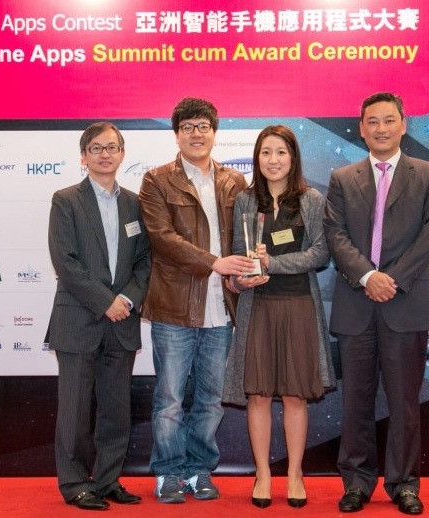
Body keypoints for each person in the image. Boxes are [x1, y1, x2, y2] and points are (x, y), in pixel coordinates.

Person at [323, 92, 429, 515]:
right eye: (372, 121)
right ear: (361, 128)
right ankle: (356, 482)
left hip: (406, 301)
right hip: (356, 303)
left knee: (404, 403)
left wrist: (390, 280)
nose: (381, 128)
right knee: (355, 402)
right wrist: (367, 276)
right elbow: (335, 235)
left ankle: (404, 484)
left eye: (389, 120)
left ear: (403, 125)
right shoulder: (342, 178)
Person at [138, 97, 252, 504]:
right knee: (169, 399)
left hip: (221, 310)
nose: (196, 133)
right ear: (177, 134)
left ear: (214, 133)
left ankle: (199, 469)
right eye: (188, 127)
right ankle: (168, 472)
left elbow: (245, 238)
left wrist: (245, 269)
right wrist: (215, 263)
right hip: (173, 308)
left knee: (210, 399)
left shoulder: (234, 182)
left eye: (203, 126)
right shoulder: (156, 180)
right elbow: (163, 239)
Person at [222, 125, 336, 509]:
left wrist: (273, 262)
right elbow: (238, 254)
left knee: (294, 395)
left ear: (293, 158)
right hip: (258, 307)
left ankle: (295, 474)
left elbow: (320, 253)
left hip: (298, 306)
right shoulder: (244, 200)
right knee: (257, 394)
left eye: (281, 152)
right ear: (257, 158)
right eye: (266, 152)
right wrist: (243, 277)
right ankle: (263, 474)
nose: (273, 160)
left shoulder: (311, 199)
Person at [47, 121, 151, 511]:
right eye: (96, 148)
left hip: (122, 320)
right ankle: (75, 483)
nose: (104, 154)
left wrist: (126, 299)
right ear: (83, 156)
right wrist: (105, 301)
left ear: (122, 154)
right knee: (74, 411)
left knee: (115, 409)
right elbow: (65, 262)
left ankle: (107, 480)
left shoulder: (136, 204)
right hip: (79, 319)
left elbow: (145, 262)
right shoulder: (65, 200)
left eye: (111, 147)